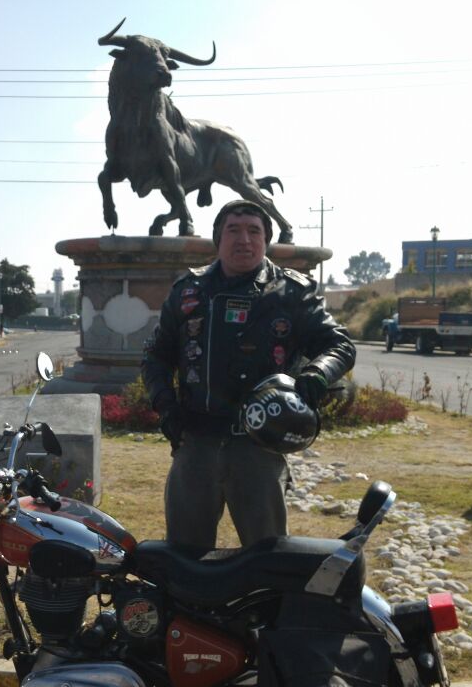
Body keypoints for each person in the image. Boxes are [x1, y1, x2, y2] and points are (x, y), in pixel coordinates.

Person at [141, 199, 355, 549]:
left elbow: (340, 344)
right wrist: (164, 404)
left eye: (254, 231)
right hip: (196, 443)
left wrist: (316, 375)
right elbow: (155, 355)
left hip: (260, 448)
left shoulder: (292, 293)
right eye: (233, 230)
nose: (244, 240)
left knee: (268, 554)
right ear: (217, 239)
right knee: (184, 556)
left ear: (266, 239)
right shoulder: (187, 291)